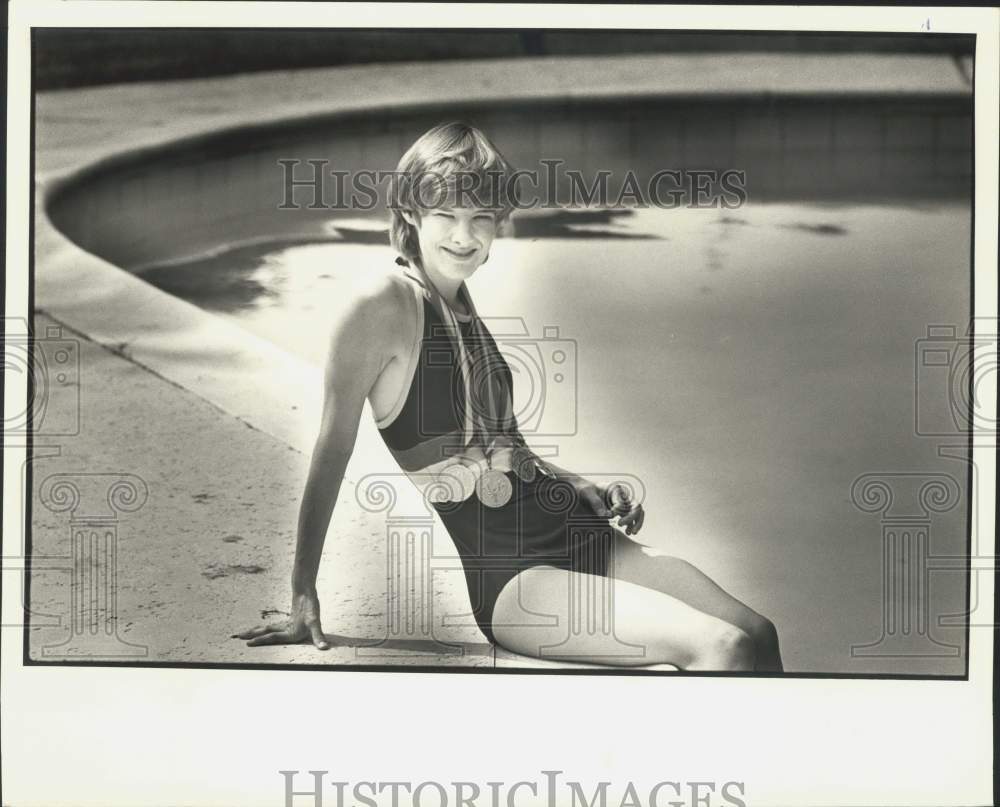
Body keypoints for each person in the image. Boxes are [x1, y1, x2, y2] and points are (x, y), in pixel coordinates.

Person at [235, 122, 783, 672]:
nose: (463, 236)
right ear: (409, 213)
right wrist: (303, 592)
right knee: (721, 648)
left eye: (480, 219)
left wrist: (577, 483)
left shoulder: (461, 304)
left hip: (576, 531)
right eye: (446, 215)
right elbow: (332, 449)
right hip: (516, 577)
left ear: (499, 224)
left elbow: (501, 445)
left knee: (757, 632)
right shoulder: (382, 305)